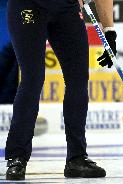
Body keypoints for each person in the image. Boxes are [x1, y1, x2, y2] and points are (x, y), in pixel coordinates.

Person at [5, 0, 116, 180]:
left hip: (66, 7)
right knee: (32, 78)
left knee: (78, 79)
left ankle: (77, 158)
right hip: (27, 4)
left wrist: (110, 31)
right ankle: (17, 157)